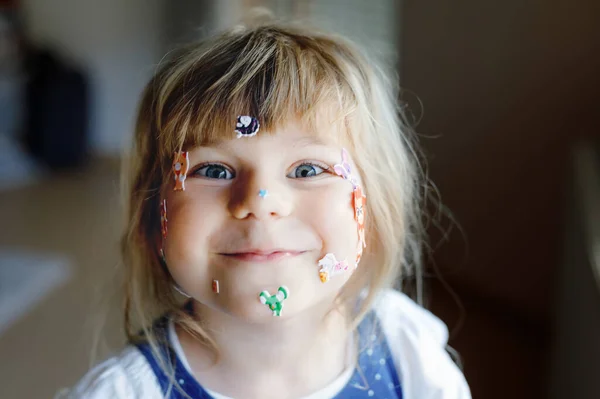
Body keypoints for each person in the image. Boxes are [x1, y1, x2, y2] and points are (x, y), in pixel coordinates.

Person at [65, 16, 471, 399]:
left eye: (308, 169)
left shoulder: (407, 350)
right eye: (213, 169)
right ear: (153, 218)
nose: (261, 203)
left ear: (374, 210)